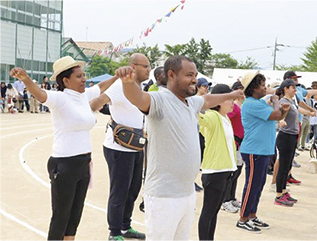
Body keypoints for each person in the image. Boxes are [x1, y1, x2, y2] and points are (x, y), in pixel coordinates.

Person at [119, 55, 243, 240]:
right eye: (189, 75)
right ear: (171, 75)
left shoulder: (191, 103)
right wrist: (128, 83)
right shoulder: (160, 101)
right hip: (164, 197)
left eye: (195, 75)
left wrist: (231, 95)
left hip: (186, 194)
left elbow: (208, 99)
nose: (194, 79)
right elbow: (137, 97)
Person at [10, 56, 118, 240]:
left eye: (84, 75)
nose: (83, 79)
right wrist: (26, 79)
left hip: (84, 163)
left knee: (75, 216)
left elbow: (100, 87)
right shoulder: (60, 98)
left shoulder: (84, 96)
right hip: (64, 165)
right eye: (78, 76)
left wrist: (118, 76)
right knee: (61, 216)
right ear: (65, 80)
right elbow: (40, 94)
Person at [90, 53, 150, 241]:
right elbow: (95, 103)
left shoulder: (140, 87)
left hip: (136, 145)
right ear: (133, 67)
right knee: (119, 191)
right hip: (118, 147)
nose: (149, 69)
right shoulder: (119, 86)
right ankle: (114, 232)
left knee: (133, 189)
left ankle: (125, 226)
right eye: (145, 66)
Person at [236, 71, 289, 233]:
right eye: (262, 85)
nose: (265, 88)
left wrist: (281, 109)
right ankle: (243, 218)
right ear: (253, 88)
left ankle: (252, 215)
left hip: (262, 150)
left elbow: (279, 116)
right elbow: (276, 115)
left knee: (258, 185)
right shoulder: (252, 103)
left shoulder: (258, 103)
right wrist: (277, 103)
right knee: (252, 185)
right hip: (254, 150)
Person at [197, 84, 238, 240]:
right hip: (214, 171)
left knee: (214, 212)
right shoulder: (212, 117)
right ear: (218, 100)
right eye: (229, 99)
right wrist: (206, 98)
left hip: (225, 171)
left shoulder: (225, 118)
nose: (232, 102)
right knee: (208, 211)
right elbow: (197, 115)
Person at [274, 79, 315, 207]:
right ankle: (279, 194)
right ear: (286, 88)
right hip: (285, 136)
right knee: (283, 167)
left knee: (287, 166)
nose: (295, 90)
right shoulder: (283, 102)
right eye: (293, 87)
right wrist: (281, 122)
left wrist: (309, 112)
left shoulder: (291, 101)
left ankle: (284, 191)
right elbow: (280, 115)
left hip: (292, 136)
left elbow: (298, 111)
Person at [221, 81, 245, 213]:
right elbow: (225, 119)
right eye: (239, 91)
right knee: (231, 174)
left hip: (240, 143)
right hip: (235, 143)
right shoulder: (233, 108)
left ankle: (231, 197)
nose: (242, 94)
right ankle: (225, 200)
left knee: (237, 172)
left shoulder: (240, 106)